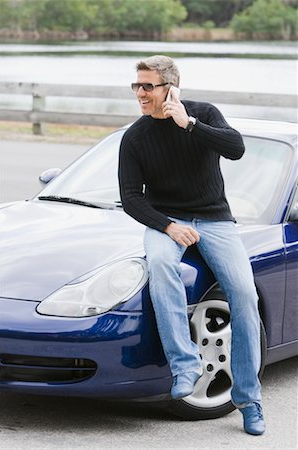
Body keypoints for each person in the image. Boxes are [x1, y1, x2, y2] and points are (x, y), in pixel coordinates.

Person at [118, 55, 265, 435]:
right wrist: (168, 226)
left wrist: (190, 124)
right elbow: (132, 197)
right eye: (137, 85)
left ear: (171, 88)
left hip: (216, 219)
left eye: (148, 86)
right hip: (168, 222)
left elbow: (236, 148)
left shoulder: (204, 114)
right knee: (161, 267)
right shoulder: (135, 137)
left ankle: (249, 399)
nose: (140, 93)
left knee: (245, 296)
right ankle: (185, 367)